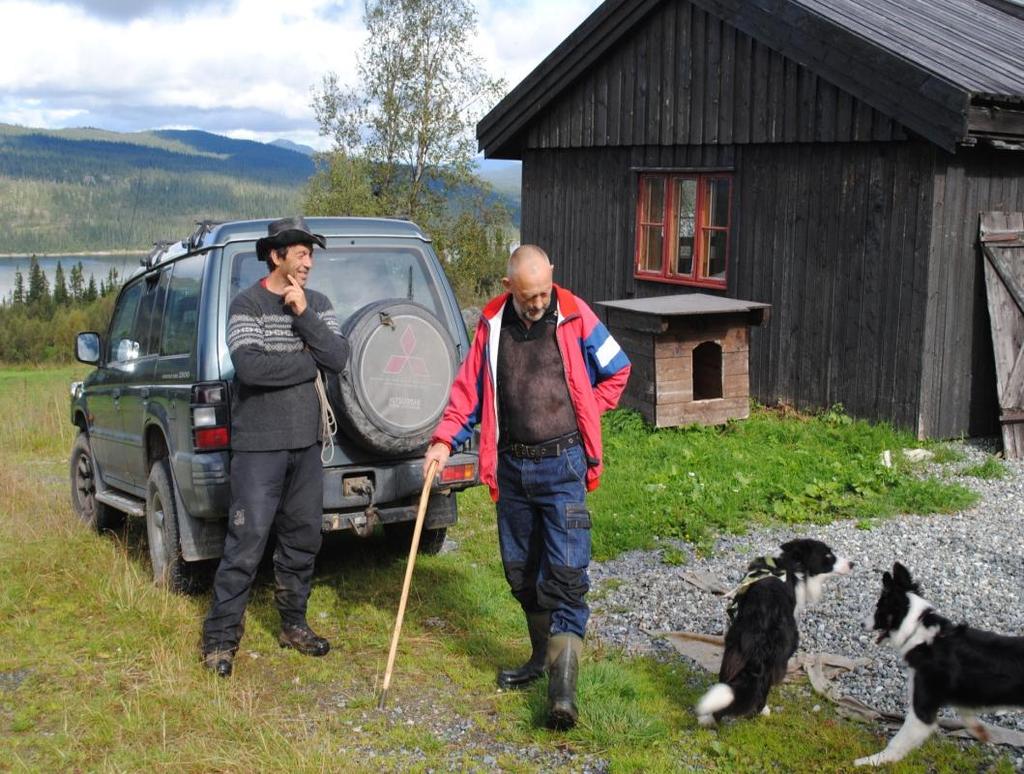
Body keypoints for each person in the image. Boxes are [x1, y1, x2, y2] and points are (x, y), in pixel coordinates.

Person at [424, 245, 630, 729]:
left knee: (565, 576)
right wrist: (441, 441)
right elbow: (468, 392)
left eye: (542, 293)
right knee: (521, 573)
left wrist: (586, 416)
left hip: (564, 467)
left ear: (552, 278)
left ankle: (563, 694)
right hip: (513, 469)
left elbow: (617, 369)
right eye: (528, 295)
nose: (537, 303)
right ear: (507, 286)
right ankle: (542, 661)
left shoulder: (576, 315)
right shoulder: (492, 325)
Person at [201, 216, 349, 677]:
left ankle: (293, 625)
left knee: (302, 540)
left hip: (306, 444)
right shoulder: (246, 305)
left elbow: (339, 358)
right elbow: (250, 370)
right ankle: (220, 643)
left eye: (311, 254)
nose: (308, 262)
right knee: (245, 544)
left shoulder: (317, 304)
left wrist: (303, 315)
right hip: (258, 448)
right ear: (276, 256)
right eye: (301, 253)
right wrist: (307, 365)